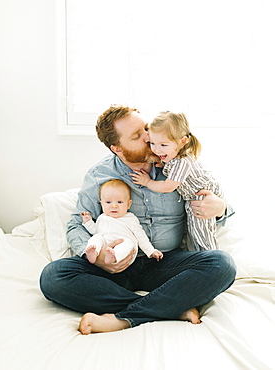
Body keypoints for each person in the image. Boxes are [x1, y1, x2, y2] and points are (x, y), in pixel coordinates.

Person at [39, 104, 236, 335]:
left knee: (222, 265)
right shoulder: (99, 175)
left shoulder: (175, 164)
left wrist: (220, 207)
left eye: (145, 129)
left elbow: (217, 208)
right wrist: (99, 257)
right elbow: (76, 224)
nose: (148, 137)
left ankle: (123, 318)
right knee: (53, 276)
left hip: (164, 262)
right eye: (137, 136)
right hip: (115, 265)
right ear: (118, 149)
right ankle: (170, 307)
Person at [130, 111, 223, 251]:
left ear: (182, 141)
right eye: (152, 143)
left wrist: (147, 182)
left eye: (163, 145)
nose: (156, 150)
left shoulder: (182, 162)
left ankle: (209, 255)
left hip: (201, 195)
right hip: (194, 195)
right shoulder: (173, 158)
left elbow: (168, 186)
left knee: (201, 232)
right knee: (191, 231)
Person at [81, 178, 163, 264]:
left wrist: (151, 251)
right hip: (105, 244)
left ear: (128, 204)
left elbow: (141, 236)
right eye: (108, 202)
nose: (114, 206)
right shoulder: (102, 218)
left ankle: (113, 257)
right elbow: (95, 231)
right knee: (96, 238)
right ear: (102, 204)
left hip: (124, 246)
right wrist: (88, 222)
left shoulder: (130, 218)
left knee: (128, 243)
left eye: (119, 202)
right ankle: (93, 253)